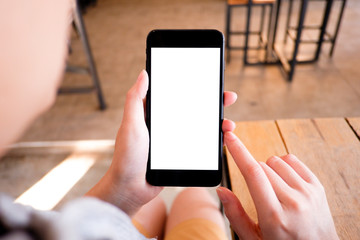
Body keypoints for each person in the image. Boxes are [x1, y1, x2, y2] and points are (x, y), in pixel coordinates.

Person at [0, 1, 339, 240]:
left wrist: (122, 189)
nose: (68, 9)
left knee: (168, 204)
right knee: (195, 198)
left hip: (118, 221)